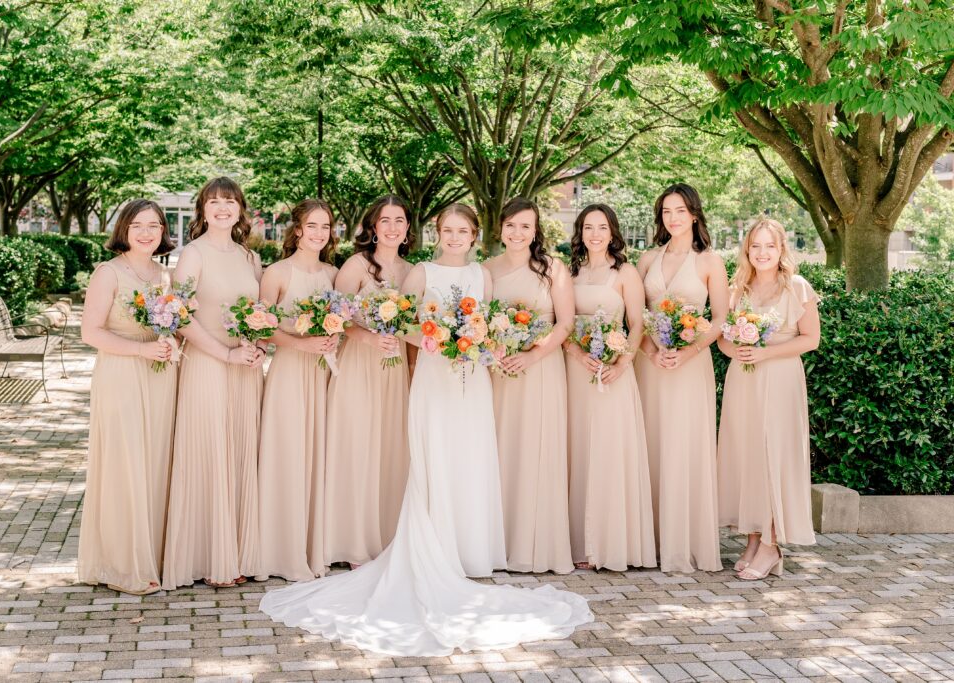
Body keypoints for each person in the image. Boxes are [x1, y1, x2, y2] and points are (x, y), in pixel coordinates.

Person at [257, 204, 591, 657]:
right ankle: (431, 548)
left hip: (472, 381)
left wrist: (476, 339)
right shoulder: (421, 273)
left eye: (463, 231)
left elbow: (489, 325)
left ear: (475, 236)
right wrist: (441, 338)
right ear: (436, 233)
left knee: (470, 457)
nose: (455, 237)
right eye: (447, 230)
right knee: (433, 458)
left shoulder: (481, 275)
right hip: (434, 378)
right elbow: (406, 325)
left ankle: (471, 551)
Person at [162, 177, 264, 590]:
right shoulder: (193, 255)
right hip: (208, 364)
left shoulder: (248, 257)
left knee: (240, 450)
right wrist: (224, 354)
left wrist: (255, 347)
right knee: (210, 452)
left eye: (230, 201)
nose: (222, 208)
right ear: (202, 209)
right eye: (214, 201)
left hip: (245, 367)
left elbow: (256, 312)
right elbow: (180, 317)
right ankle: (208, 557)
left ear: (241, 209)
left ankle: (239, 551)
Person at [79, 200, 177, 595]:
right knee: (125, 465)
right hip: (122, 373)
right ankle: (123, 565)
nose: (147, 232)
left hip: (161, 376)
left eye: (155, 225)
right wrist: (140, 350)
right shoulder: (108, 273)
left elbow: (175, 324)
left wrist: (169, 342)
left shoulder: (167, 277)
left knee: (155, 464)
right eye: (138, 225)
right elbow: (91, 332)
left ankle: (152, 555)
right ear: (123, 229)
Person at [718, 218, 821, 580]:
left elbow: (811, 339)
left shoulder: (796, 287)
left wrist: (765, 353)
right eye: (755, 246)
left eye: (770, 246)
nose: (762, 253)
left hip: (779, 380)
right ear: (747, 250)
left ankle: (772, 544)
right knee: (747, 456)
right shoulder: (737, 289)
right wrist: (737, 351)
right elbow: (722, 339)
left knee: (772, 456)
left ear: (781, 250)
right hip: (743, 381)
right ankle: (753, 538)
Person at [635, 183, 728, 573]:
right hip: (650, 364)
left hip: (691, 367)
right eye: (665, 211)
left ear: (694, 213)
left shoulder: (709, 262)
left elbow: (721, 318)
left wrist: (688, 350)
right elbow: (634, 312)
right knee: (650, 443)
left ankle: (684, 541)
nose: (672, 218)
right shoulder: (646, 259)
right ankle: (646, 540)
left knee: (684, 445)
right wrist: (650, 350)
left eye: (679, 210)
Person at [564, 204, 657, 572]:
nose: (595, 234)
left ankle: (609, 542)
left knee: (607, 451)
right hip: (576, 370)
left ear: (613, 232)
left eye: (602, 227)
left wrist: (623, 362)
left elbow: (636, 324)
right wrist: (574, 351)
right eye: (588, 227)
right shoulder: (569, 272)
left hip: (613, 373)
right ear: (580, 232)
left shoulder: (626, 273)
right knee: (578, 449)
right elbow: (561, 322)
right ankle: (578, 542)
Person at [484, 197, 574, 575]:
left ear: (535, 230)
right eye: (511, 225)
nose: (517, 232)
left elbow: (565, 324)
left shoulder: (553, 269)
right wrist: (497, 349)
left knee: (537, 450)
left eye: (525, 226)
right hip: (500, 371)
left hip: (540, 370)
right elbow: (479, 322)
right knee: (502, 450)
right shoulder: (486, 269)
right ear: (500, 227)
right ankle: (497, 543)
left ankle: (536, 545)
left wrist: (531, 356)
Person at [323, 195, 413, 568]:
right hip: (359, 365)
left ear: (408, 228)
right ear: (372, 227)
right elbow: (335, 318)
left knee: (390, 450)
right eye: (385, 220)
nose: (392, 227)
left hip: (395, 372)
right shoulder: (356, 265)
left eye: (399, 220)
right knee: (357, 447)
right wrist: (370, 338)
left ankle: (386, 537)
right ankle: (351, 543)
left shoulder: (412, 272)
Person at [254, 199, 339, 582]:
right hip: (290, 371)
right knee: (287, 454)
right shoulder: (277, 272)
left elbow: (341, 321)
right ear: (298, 229)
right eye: (312, 225)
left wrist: (333, 337)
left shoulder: (333, 274)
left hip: (323, 372)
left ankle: (312, 547)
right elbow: (259, 325)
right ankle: (280, 551)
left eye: (326, 227)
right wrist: (301, 344)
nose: (319, 233)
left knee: (317, 454)